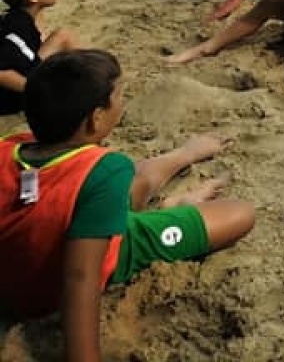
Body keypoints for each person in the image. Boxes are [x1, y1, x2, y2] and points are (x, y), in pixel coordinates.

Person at [0, 49, 254, 360]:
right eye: (119, 96)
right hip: (68, 270)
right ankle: (173, 207)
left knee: (123, 180)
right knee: (239, 213)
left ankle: (186, 154)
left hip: (28, 252)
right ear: (96, 118)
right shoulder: (107, 169)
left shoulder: (11, 146)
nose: (123, 103)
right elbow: (81, 277)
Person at [0, 0, 83, 117]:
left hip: (26, 71)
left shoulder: (19, 18)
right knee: (64, 37)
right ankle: (95, 82)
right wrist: (37, 90)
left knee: (61, 37)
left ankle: (91, 78)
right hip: (13, 98)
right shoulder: (17, 29)